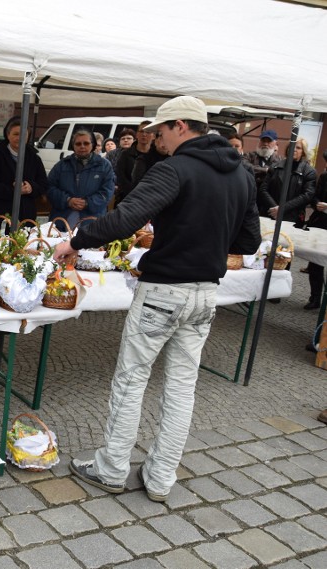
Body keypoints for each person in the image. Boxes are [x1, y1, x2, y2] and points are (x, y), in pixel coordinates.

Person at [53, 95, 261, 503]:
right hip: (205, 294)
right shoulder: (242, 174)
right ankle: (161, 477)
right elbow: (249, 240)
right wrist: (207, 237)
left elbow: (126, 217)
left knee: (132, 380)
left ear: (182, 126)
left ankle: (111, 468)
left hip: (164, 290)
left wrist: (75, 242)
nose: (157, 138)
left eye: (162, 130)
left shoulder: (175, 169)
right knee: (182, 387)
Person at [0, 116, 48, 228]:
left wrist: (31, 187)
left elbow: (43, 183)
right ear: (8, 135)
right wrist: (13, 189)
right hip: (0, 216)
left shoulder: (34, 158)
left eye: (24, 134)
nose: (20, 138)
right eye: (16, 134)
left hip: (26, 216)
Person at [47, 130, 114, 231]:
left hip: (93, 220)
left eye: (86, 143)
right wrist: (67, 200)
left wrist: (88, 202)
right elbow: (49, 188)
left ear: (93, 145)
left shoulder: (104, 166)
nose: (82, 146)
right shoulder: (62, 165)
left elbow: (107, 191)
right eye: (78, 143)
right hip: (62, 221)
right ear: (73, 146)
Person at [258, 138, 316, 224]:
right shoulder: (275, 167)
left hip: (293, 218)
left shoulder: (309, 171)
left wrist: (282, 209)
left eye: (298, 148)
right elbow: (263, 189)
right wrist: (275, 208)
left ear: (303, 152)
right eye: (291, 146)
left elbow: (307, 195)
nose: (294, 149)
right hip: (270, 214)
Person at [302, 150, 327, 312]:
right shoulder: (324, 177)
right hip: (320, 224)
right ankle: (315, 297)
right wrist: (317, 203)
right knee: (315, 263)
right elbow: (315, 195)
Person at [114, 121, 153, 206]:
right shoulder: (125, 154)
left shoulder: (157, 155)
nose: (144, 134)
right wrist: (133, 193)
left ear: (153, 135)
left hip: (151, 199)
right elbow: (120, 176)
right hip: (129, 199)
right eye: (141, 131)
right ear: (137, 135)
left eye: (148, 132)